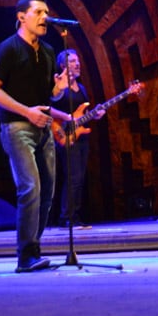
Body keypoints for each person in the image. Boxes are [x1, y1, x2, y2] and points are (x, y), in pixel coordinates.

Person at [0, 0, 69, 273]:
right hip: (17, 127)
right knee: (30, 187)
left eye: (47, 12)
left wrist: (58, 90)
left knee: (47, 191)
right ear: (22, 17)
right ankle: (26, 255)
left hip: (43, 127)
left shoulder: (46, 51)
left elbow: (47, 95)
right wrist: (26, 112)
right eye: (39, 12)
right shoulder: (7, 49)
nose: (45, 16)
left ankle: (34, 248)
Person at [51, 49, 105, 229]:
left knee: (80, 177)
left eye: (78, 61)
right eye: (73, 61)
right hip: (64, 134)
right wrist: (66, 120)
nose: (77, 64)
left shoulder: (81, 88)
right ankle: (66, 218)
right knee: (72, 177)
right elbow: (50, 105)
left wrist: (95, 114)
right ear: (63, 66)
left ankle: (74, 216)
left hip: (80, 137)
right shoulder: (59, 86)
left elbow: (83, 113)